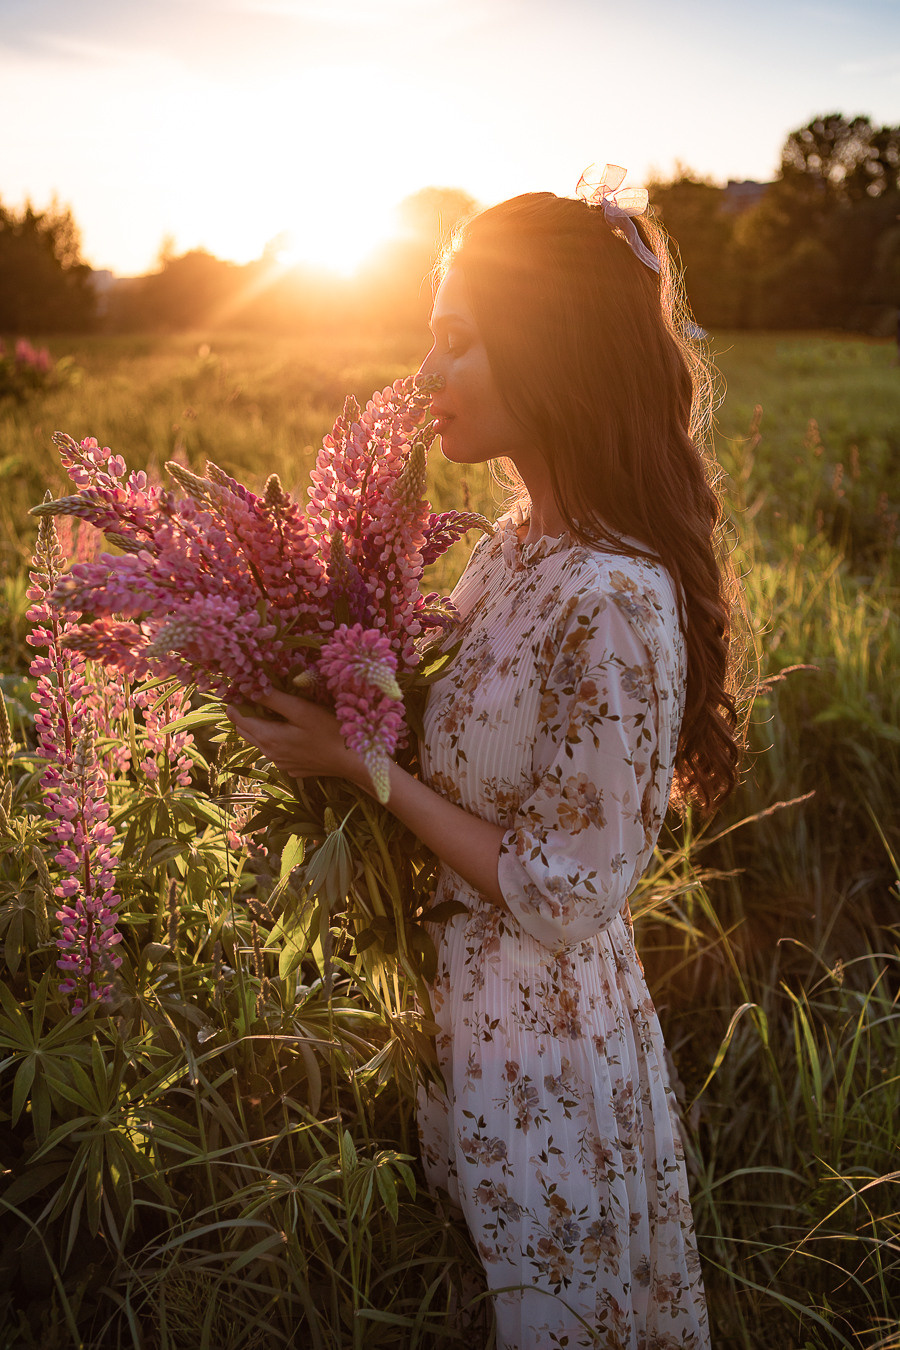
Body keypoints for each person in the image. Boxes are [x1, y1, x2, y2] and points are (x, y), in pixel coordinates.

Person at [229, 169, 740, 1349]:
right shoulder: (512, 550)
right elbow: (435, 736)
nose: (427, 375)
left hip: (547, 1056)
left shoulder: (613, 599)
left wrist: (359, 766)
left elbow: (566, 892)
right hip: (461, 1025)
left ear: (549, 353)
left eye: (458, 341)